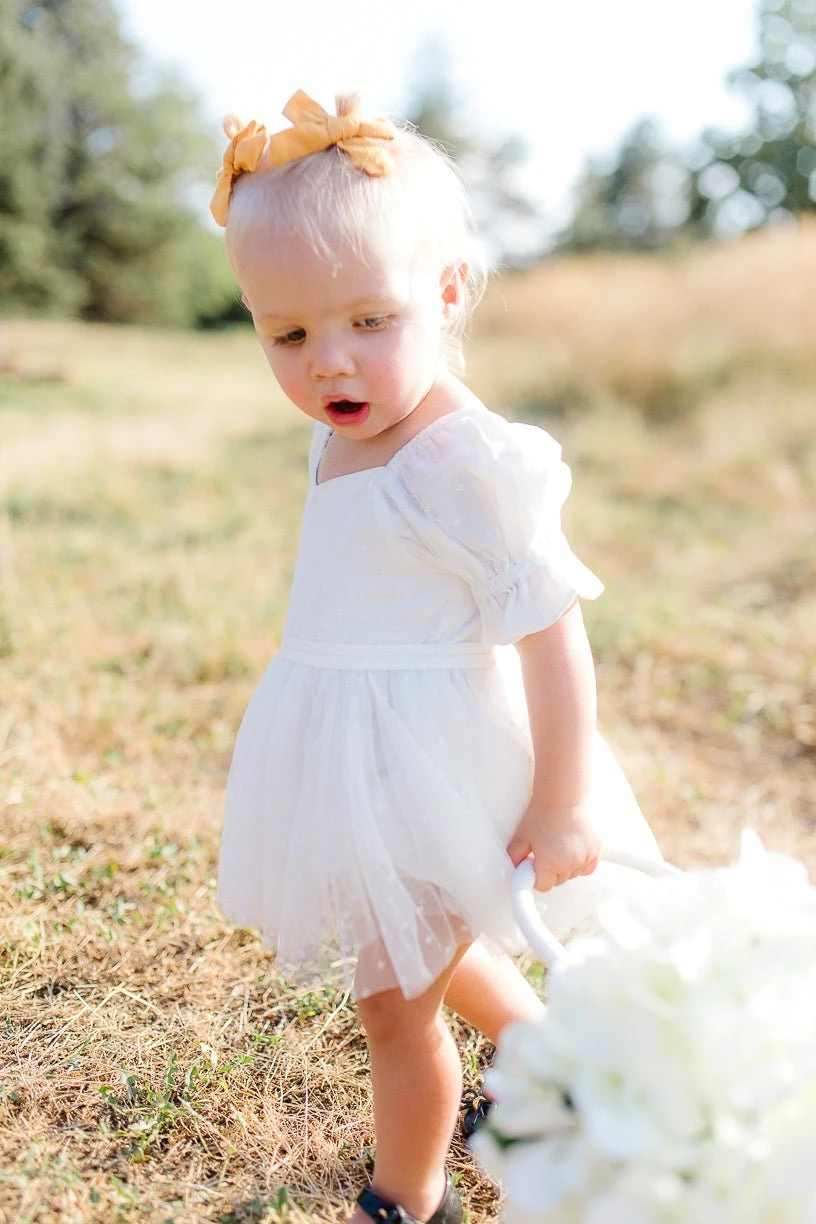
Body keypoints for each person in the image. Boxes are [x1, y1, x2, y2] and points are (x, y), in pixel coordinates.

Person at [212, 91, 662, 1224]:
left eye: (369, 319)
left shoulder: (458, 457)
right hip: (370, 755)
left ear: (449, 293)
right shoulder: (344, 432)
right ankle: (545, 1055)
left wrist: (562, 800)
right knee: (415, 938)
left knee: (393, 1010)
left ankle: (405, 1199)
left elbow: (551, 626)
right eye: (289, 335)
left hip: (449, 759)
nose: (330, 363)